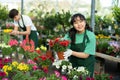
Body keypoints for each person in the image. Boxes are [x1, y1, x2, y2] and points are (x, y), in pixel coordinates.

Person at [63, 13, 96, 77]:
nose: (79, 24)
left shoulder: (90, 35)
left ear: (85, 22)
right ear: (73, 25)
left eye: (81, 21)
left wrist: (71, 52)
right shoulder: (70, 34)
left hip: (86, 65)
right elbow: (63, 44)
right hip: (73, 64)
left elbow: (86, 55)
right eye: (75, 23)